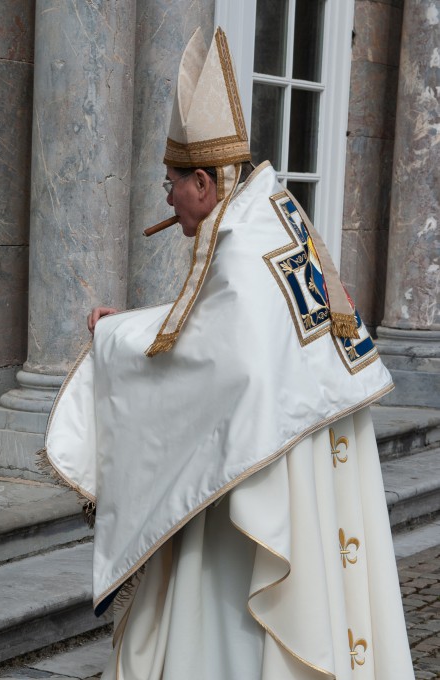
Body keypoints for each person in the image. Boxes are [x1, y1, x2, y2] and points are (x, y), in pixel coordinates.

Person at [44, 28, 414, 679]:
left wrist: (112, 342)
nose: (167, 198)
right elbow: (219, 323)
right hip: (303, 441)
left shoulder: (240, 244)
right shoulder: (269, 212)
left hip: (268, 463)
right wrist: (129, 323)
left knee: (232, 632)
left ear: (206, 184)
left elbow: (221, 364)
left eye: (171, 184)